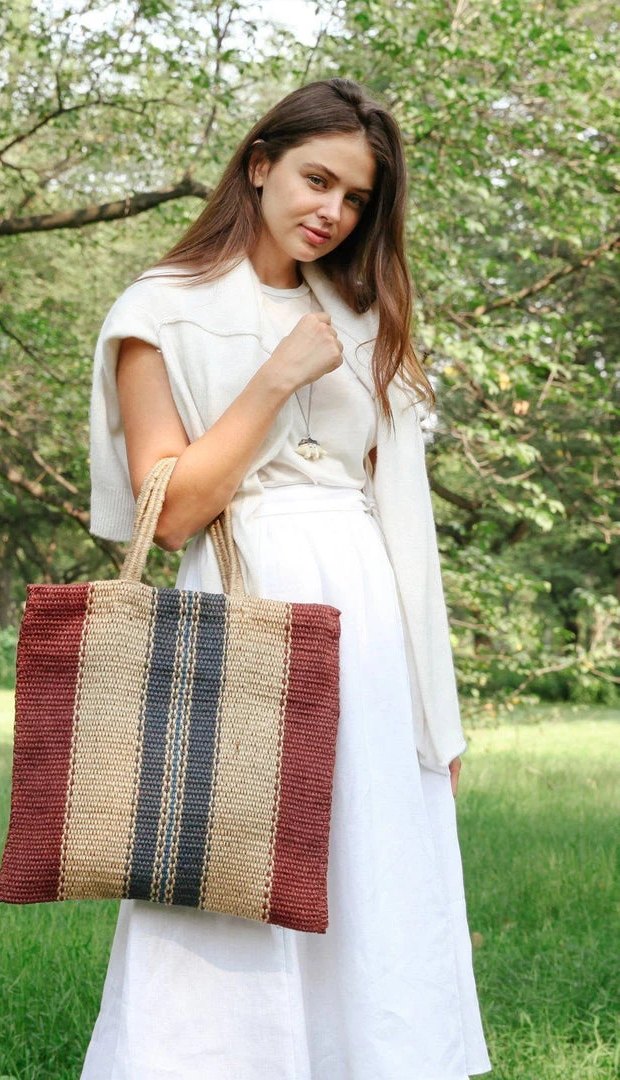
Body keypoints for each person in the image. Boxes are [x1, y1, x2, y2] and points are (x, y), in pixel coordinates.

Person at [84, 78, 492, 1080]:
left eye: (356, 198)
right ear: (260, 164)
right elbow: (170, 511)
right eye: (318, 180)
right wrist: (274, 379)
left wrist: (435, 712)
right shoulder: (159, 311)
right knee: (222, 859)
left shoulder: (362, 317)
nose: (333, 212)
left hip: (369, 612)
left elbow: (407, 521)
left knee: (372, 861)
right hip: (244, 596)